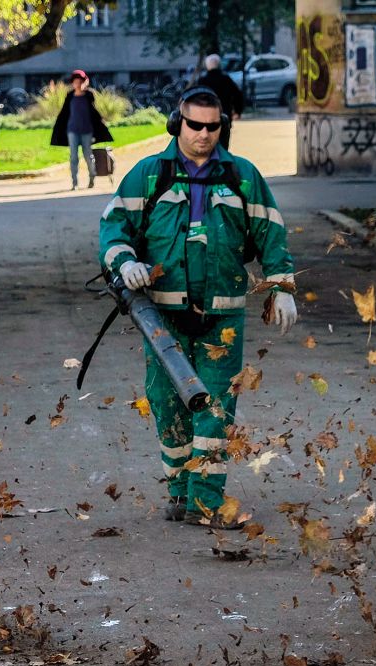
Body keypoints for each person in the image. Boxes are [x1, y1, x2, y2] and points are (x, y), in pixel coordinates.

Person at [98, 87, 297, 528]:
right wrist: (125, 261)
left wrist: (282, 287)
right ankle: (179, 490)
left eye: (213, 126)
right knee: (167, 403)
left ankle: (206, 502)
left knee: (215, 405)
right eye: (195, 125)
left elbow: (271, 233)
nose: (204, 134)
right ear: (177, 124)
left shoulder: (242, 176)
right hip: (163, 319)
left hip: (222, 316)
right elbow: (113, 228)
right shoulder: (150, 175)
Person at [51, 70, 113, 191]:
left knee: (88, 155)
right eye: (76, 82)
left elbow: (94, 113)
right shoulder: (70, 96)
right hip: (72, 130)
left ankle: (92, 177)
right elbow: (64, 114)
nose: (78, 84)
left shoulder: (88, 96)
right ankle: (74, 183)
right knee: (73, 157)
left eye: (80, 82)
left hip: (87, 130)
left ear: (84, 82)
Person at [194, 55, 245, 149]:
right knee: (223, 145)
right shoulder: (226, 79)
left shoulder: (202, 80)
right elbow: (238, 94)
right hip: (224, 116)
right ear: (218, 65)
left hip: (205, 118)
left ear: (207, 65)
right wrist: (238, 111)